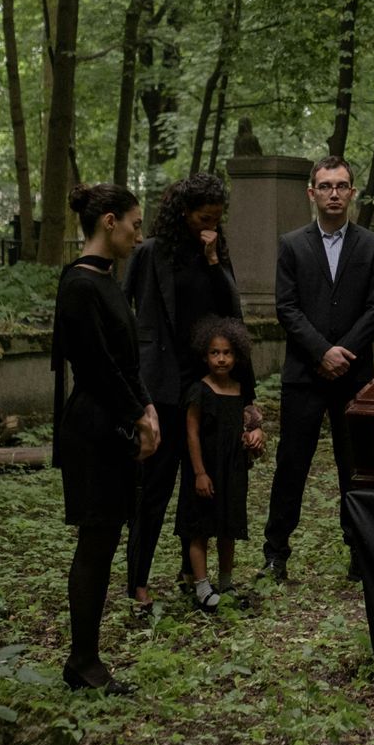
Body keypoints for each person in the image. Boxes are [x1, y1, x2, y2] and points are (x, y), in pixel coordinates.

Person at [122, 172, 262, 608]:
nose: (210, 225)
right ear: (183, 212)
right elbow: (126, 312)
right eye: (204, 217)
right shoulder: (151, 253)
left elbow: (233, 315)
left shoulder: (216, 251)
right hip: (162, 384)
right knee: (154, 487)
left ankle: (191, 572)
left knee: (204, 481)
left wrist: (214, 259)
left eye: (217, 218)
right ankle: (138, 581)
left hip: (208, 385)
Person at [53, 183, 160, 693]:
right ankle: (83, 662)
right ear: (109, 221)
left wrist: (147, 406)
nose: (139, 235)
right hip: (94, 427)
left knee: (107, 537)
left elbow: (126, 358)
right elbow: (95, 365)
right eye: (135, 224)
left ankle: (86, 659)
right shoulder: (79, 284)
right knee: (96, 542)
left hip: (114, 419)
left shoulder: (106, 278)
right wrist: (137, 414)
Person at [262, 156, 374, 583]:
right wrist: (321, 352)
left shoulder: (371, 245)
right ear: (311, 193)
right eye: (325, 186)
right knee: (291, 464)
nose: (333, 193)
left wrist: (343, 353)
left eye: (341, 186)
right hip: (304, 374)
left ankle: (358, 551)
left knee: (353, 465)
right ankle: (276, 553)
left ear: (352, 192)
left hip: (353, 375)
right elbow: (287, 307)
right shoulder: (292, 244)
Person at [178, 316, 255, 611]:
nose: (221, 359)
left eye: (227, 353)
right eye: (214, 352)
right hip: (205, 469)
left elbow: (245, 425)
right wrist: (199, 472)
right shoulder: (199, 390)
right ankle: (201, 585)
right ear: (204, 356)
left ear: (237, 355)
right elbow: (191, 433)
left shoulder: (239, 390)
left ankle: (226, 582)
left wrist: (252, 436)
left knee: (227, 526)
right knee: (200, 527)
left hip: (231, 469)